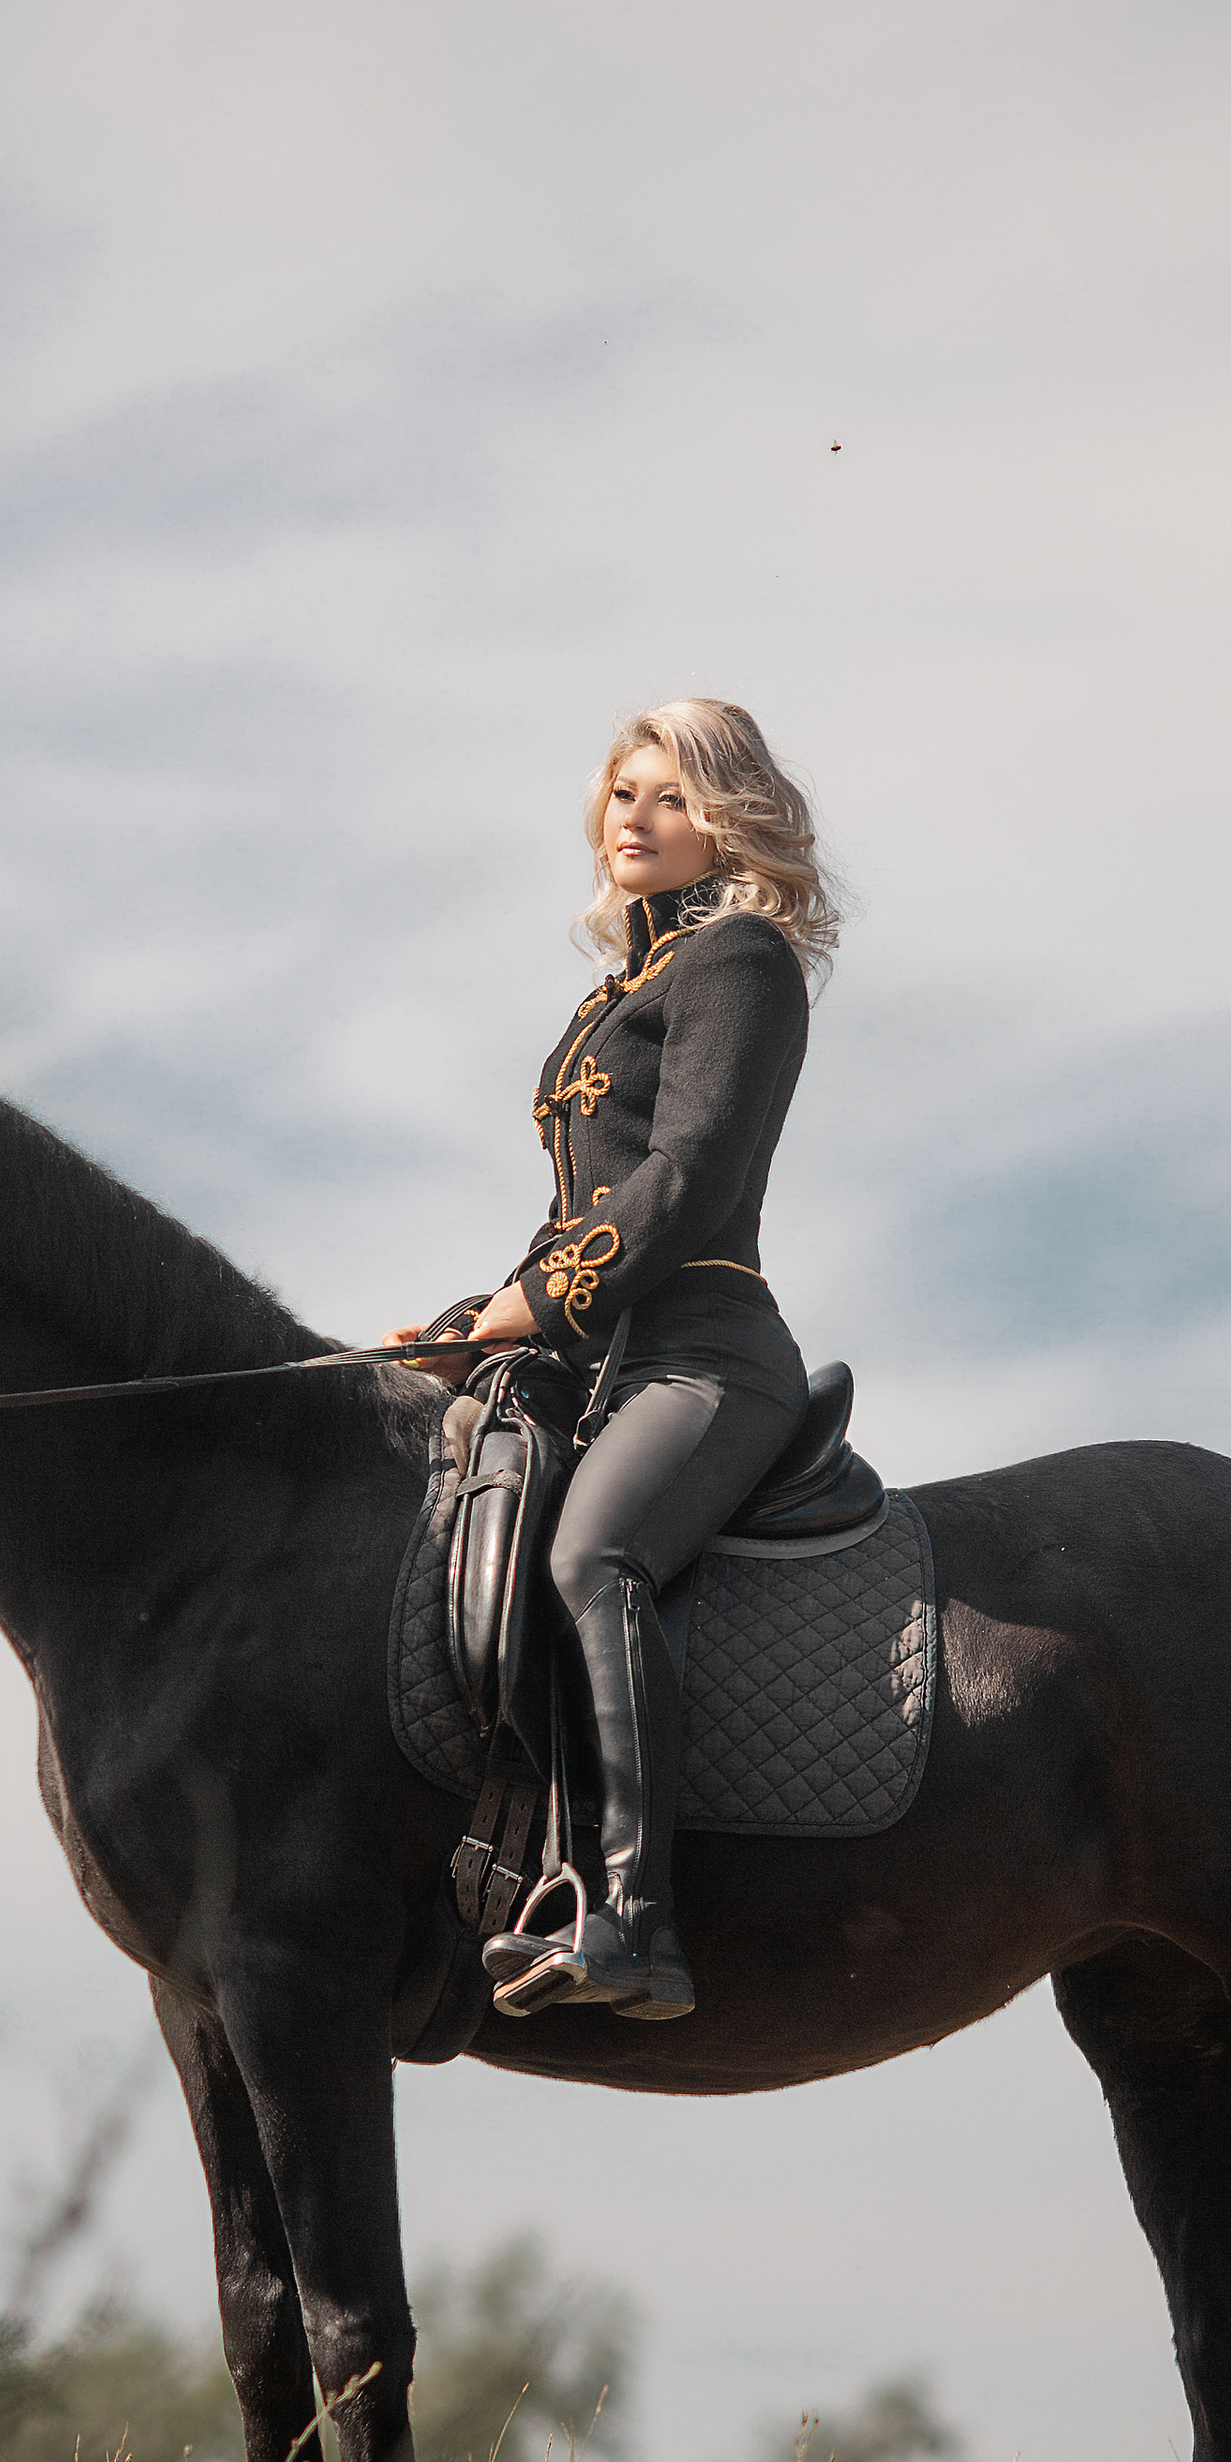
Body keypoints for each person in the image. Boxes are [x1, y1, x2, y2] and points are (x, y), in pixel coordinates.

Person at [386, 700, 837, 2023]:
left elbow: (687, 1184)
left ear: (729, 823)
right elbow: (581, 1210)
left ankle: (635, 1917)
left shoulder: (741, 960)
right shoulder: (609, 1002)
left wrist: (544, 1297)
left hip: (708, 1360)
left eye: (672, 798)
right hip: (604, 1361)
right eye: (623, 792)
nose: (633, 818)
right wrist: (483, 1314)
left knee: (598, 1556)